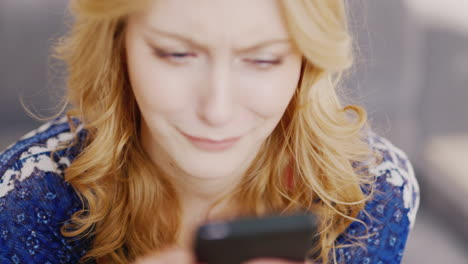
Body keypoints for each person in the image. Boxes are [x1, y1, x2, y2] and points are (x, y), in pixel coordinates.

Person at [0, 0, 420, 263]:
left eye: (263, 60)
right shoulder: (27, 195)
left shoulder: (371, 192)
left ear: (308, 64)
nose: (217, 111)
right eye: (177, 54)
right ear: (117, 46)